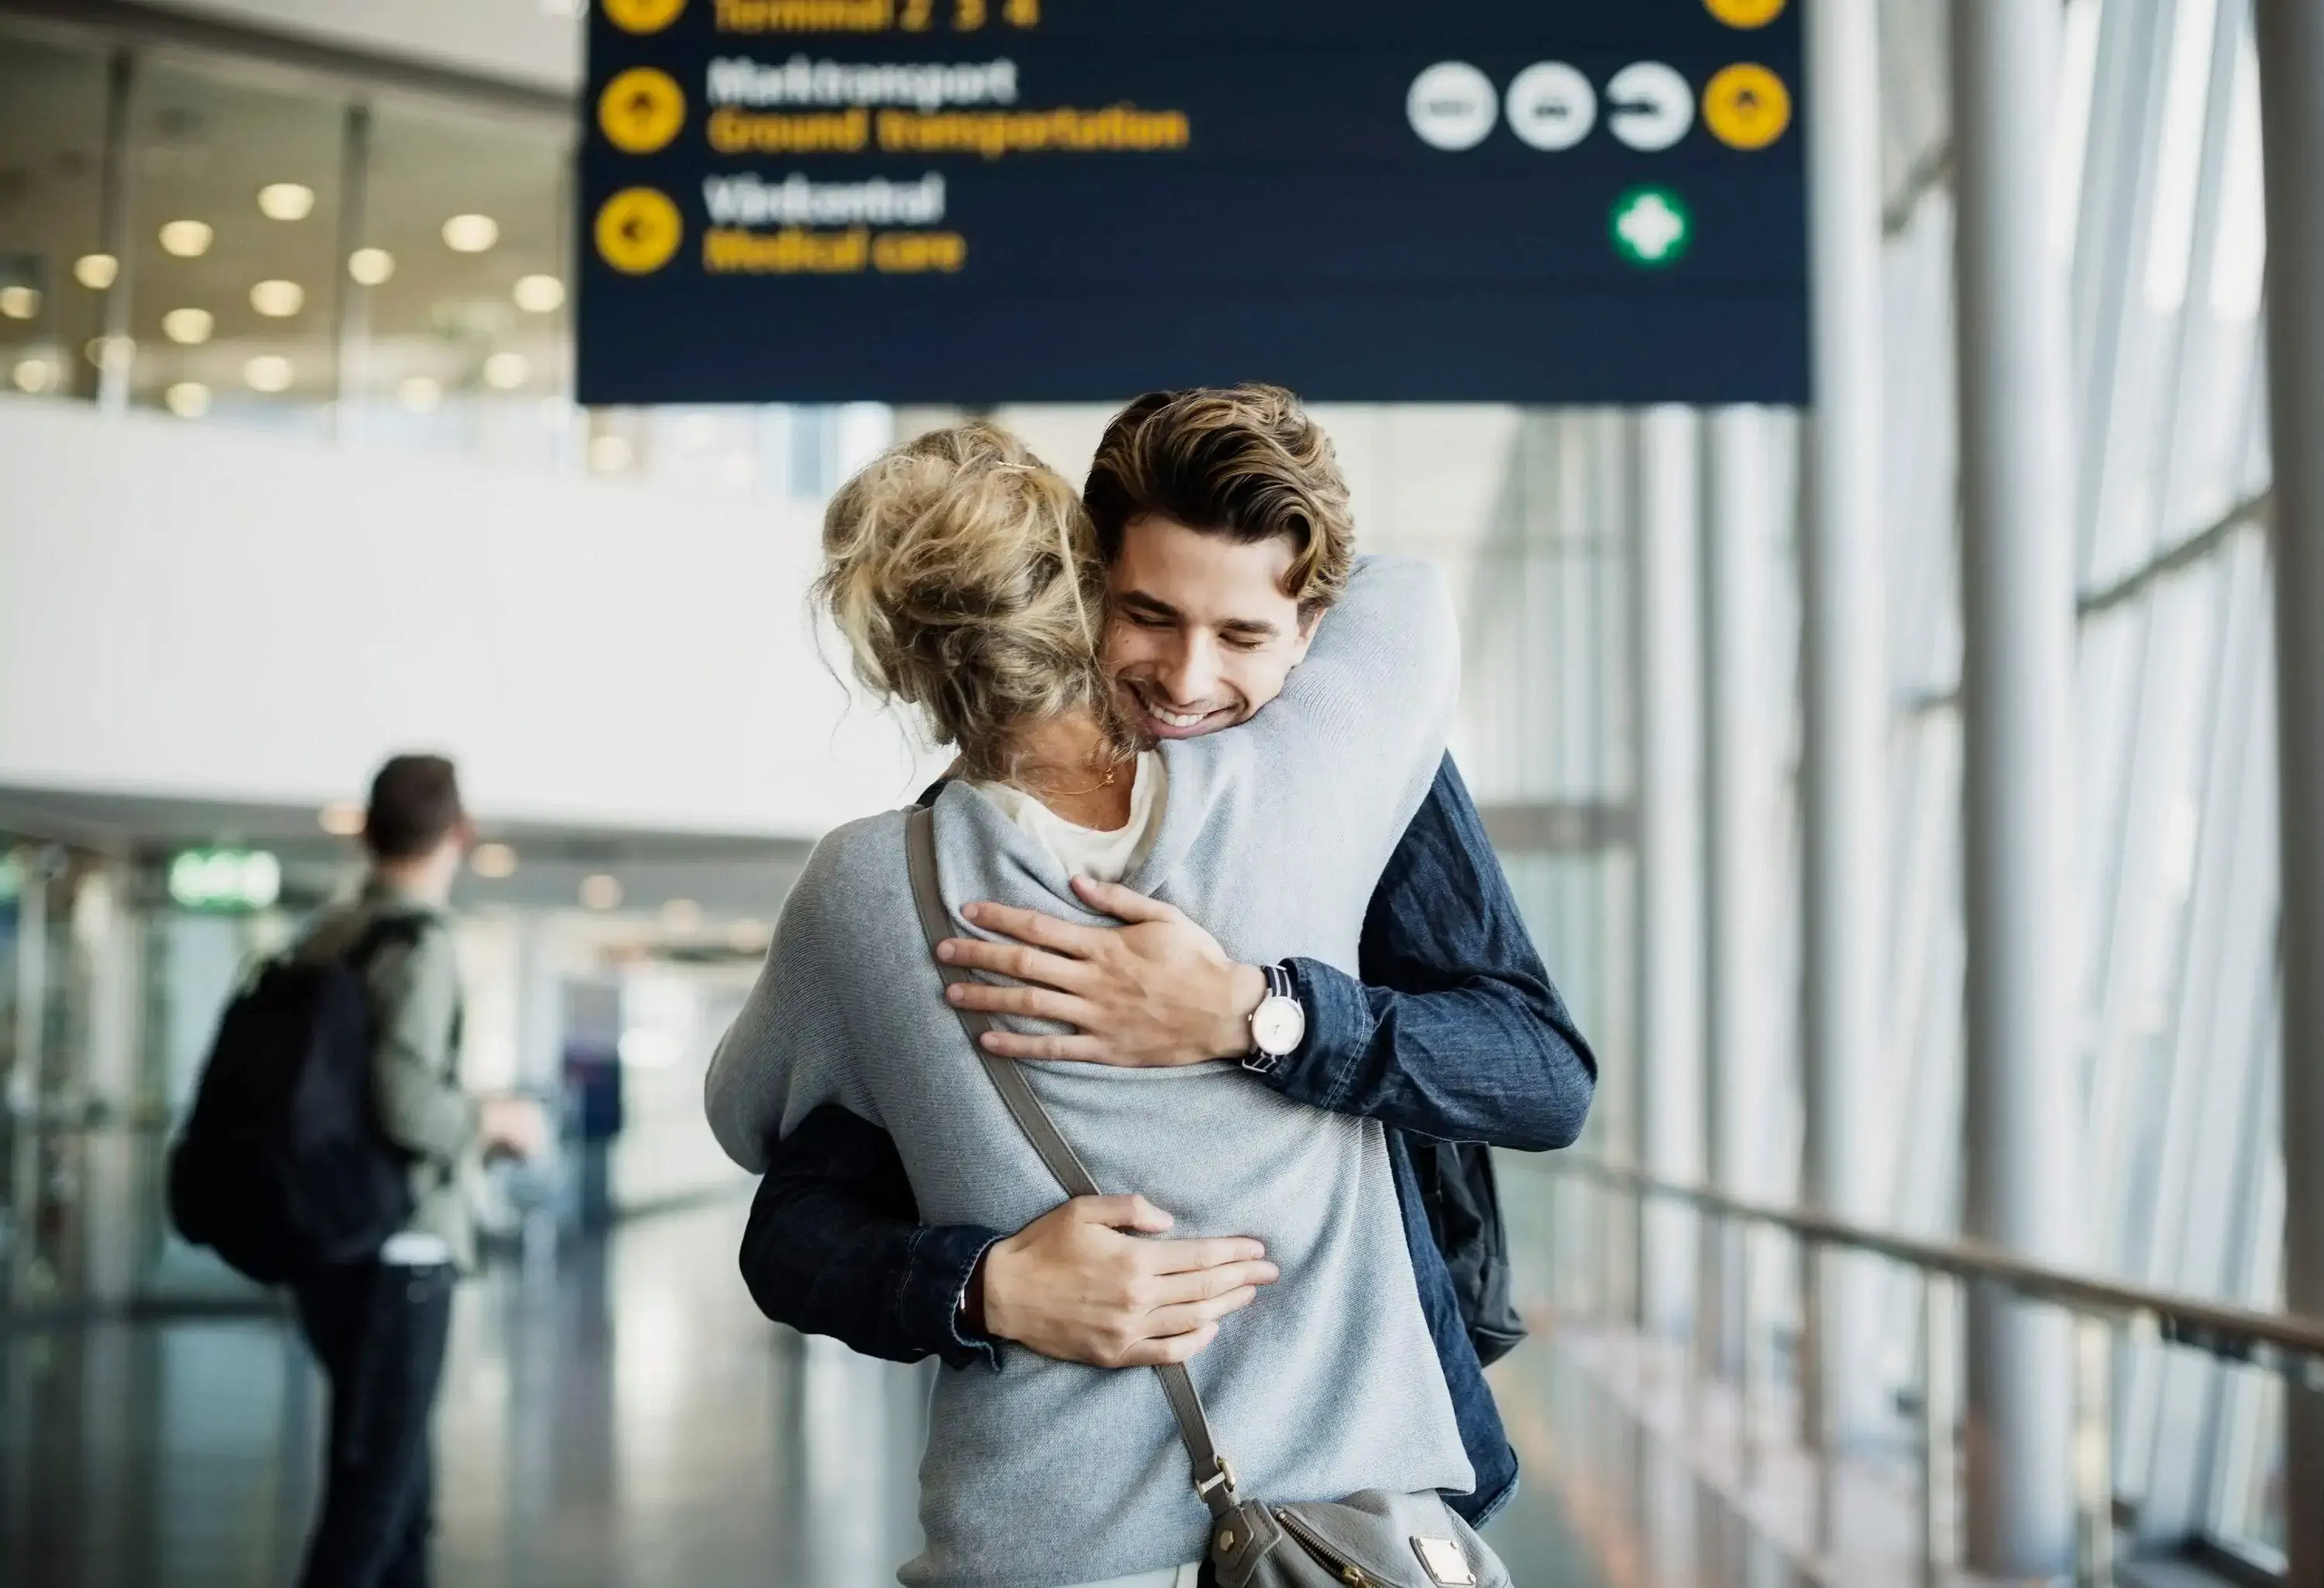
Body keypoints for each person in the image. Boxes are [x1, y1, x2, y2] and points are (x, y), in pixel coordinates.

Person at [736, 386, 1597, 1526]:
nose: (1189, 683)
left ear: (1313, 629)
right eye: (1147, 616)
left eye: (1244, 635)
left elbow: (1541, 1074)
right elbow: (794, 1227)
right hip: (1087, 1509)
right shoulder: (958, 861)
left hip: (1362, 1489)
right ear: (1087, 590)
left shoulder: (1359, 781)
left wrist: (1261, 1014)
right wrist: (987, 1284)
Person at [290, 754, 548, 1588]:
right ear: (461, 834)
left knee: (397, 1493)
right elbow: (405, 1103)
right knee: (374, 1504)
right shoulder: (418, 941)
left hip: (328, 1238)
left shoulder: (329, 934)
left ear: (365, 831)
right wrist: (495, 1121)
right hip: (400, 1251)